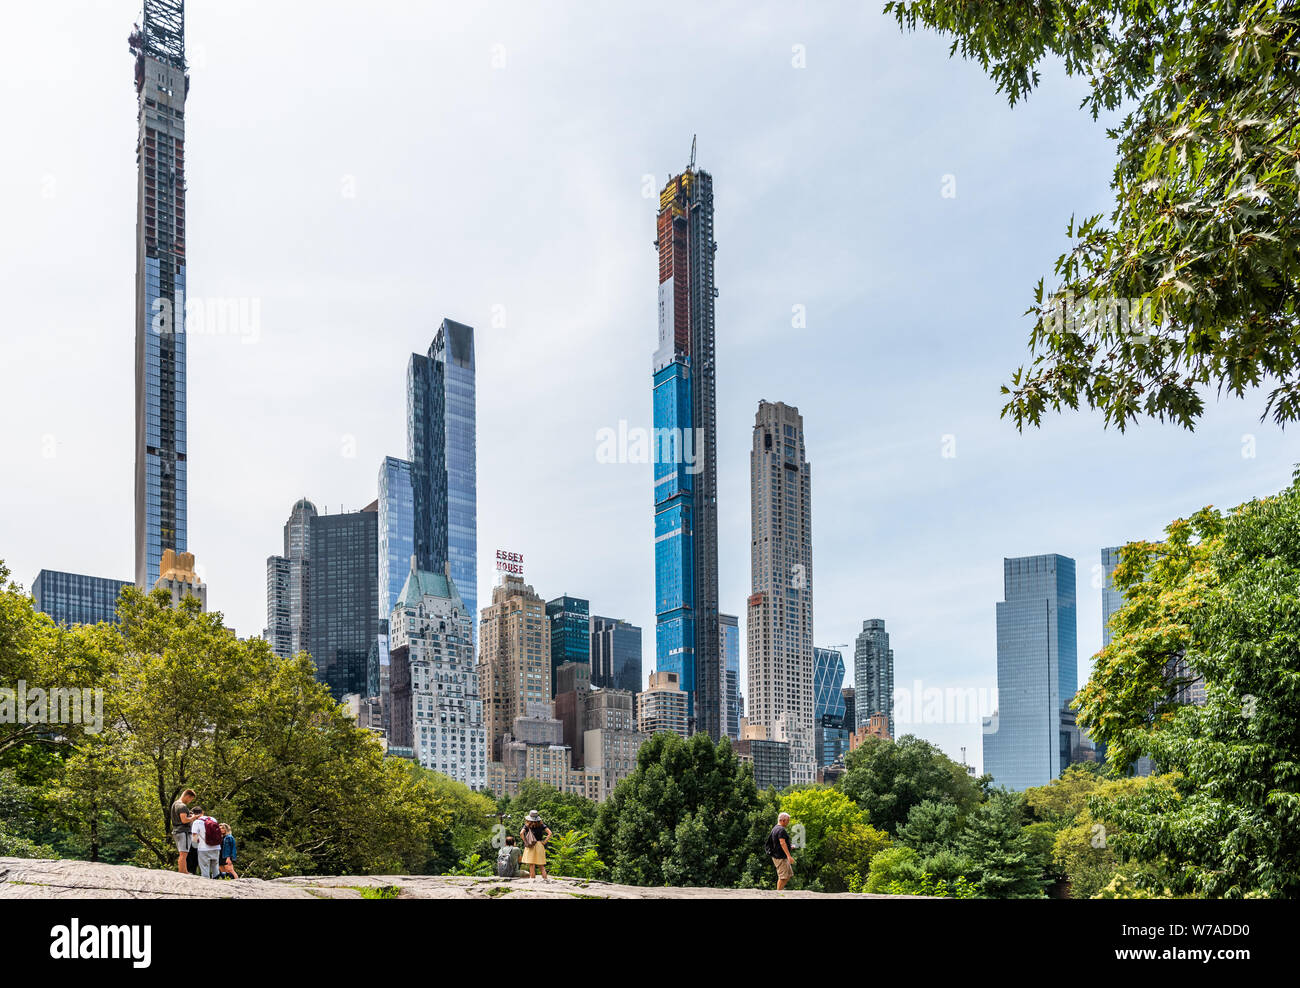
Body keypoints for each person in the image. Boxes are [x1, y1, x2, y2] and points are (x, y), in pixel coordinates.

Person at [189, 807, 223, 879]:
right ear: (202, 812)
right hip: (216, 847)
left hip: (203, 848)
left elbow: (194, 836)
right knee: (215, 867)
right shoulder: (213, 819)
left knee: (204, 868)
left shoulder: (196, 822)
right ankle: (217, 882)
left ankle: (207, 886)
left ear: (193, 814)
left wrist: (195, 845)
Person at [170, 789, 198, 874]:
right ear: (187, 796)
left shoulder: (175, 804)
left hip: (176, 831)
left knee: (182, 852)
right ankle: (183, 872)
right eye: (191, 799)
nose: (190, 801)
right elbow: (184, 820)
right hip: (183, 831)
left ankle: (184, 870)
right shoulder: (182, 806)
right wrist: (193, 818)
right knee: (184, 853)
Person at [766, 812, 796, 890]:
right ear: (783, 820)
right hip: (780, 857)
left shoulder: (775, 828)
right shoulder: (781, 829)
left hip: (780, 856)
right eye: (787, 821)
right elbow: (782, 843)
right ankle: (778, 894)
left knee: (788, 875)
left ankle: (780, 891)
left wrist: (789, 846)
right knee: (783, 877)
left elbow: (778, 843)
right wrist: (789, 856)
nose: (788, 822)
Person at [519, 810, 552, 880]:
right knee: (541, 865)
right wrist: (544, 842)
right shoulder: (541, 825)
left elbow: (521, 833)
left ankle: (533, 880)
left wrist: (525, 841)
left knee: (532, 864)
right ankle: (545, 879)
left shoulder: (527, 825)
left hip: (531, 845)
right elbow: (550, 833)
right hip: (539, 845)